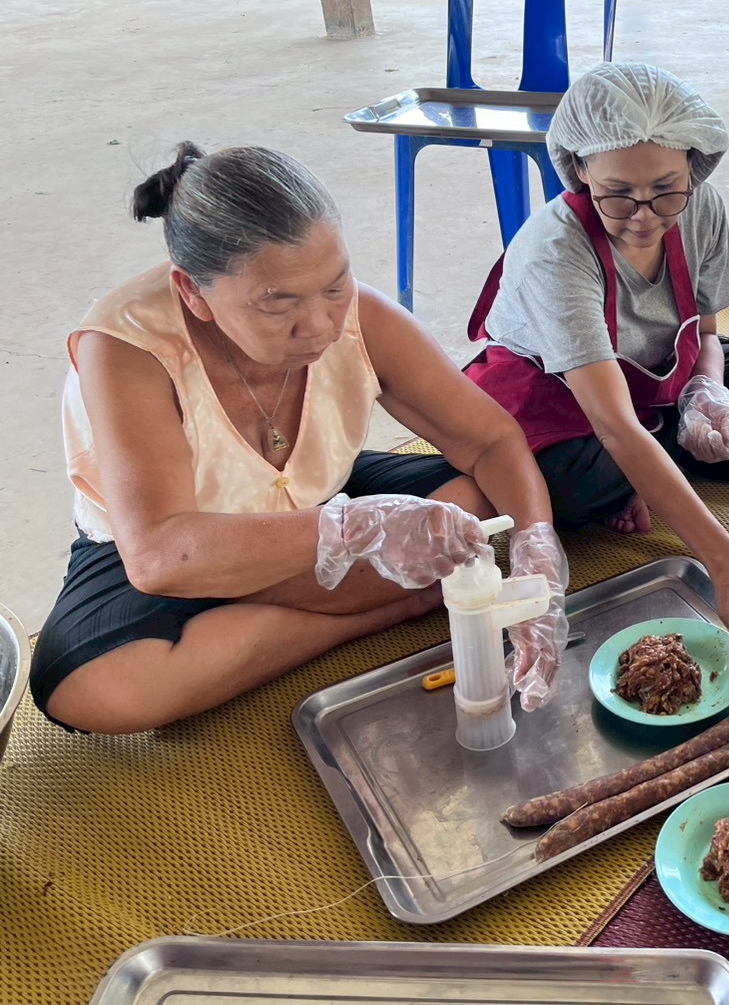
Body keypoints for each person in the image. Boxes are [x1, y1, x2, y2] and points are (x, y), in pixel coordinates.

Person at [32, 144, 567, 734]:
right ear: (192, 292)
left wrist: (537, 553)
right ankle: (374, 611)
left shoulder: (362, 317)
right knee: (91, 686)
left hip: (317, 497)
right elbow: (158, 556)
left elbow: (490, 441)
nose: (320, 326)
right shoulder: (126, 349)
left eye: (335, 287)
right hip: (172, 543)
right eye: (277, 303)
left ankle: (264, 613)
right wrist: (360, 532)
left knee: (489, 502)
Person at [468, 62, 729, 662]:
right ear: (579, 169)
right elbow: (611, 423)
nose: (644, 215)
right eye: (616, 195)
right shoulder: (557, 251)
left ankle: (662, 462)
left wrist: (706, 392)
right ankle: (652, 468)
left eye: (666, 189)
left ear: (694, 163)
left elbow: (706, 332)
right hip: (557, 396)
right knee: (575, 485)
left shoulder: (702, 209)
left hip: (660, 376)